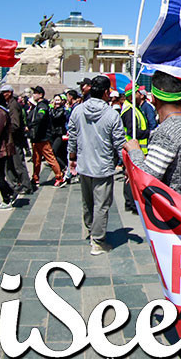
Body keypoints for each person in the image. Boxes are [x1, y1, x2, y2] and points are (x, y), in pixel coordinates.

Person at [68, 75, 126, 254]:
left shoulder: (78, 110)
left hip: (84, 163)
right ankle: (98, 240)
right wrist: (126, 164)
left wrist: (72, 157)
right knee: (101, 205)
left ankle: (91, 229)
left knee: (88, 202)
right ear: (107, 92)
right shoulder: (111, 114)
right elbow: (119, 142)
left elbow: (72, 135)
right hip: (103, 165)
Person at [126, 71, 181, 204]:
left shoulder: (166, 132)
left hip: (171, 212)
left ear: (154, 99)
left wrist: (134, 151)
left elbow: (147, 177)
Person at [120, 84, 151, 214]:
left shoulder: (135, 108)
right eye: (138, 92)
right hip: (133, 148)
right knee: (130, 177)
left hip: (138, 148)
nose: (141, 95)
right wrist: (148, 133)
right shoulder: (129, 111)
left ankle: (131, 202)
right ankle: (132, 203)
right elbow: (133, 132)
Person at [27, 86, 65, 187]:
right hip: (37, 137)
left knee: (50, 158)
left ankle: (59, 177)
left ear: (40, 95)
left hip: (43, 136)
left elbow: (40, 117)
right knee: (36, 159)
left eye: (35, 93)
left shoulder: (42, 106)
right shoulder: (37, 106)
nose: (33, 95)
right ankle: (35, 178)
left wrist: (31, 125)